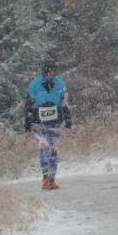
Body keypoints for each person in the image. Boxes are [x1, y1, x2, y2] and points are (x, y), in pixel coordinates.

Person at [24, 61, 72, 190]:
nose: (51, 74)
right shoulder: (34, 85)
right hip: (39, 122)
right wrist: (27, 127)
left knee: (54, 150)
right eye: (49, 72)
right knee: (44, 148)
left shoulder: (60, 85)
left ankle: (52, 180)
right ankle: (45, 177)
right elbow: (27, 107)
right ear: (44, 72)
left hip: (55, 122)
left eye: (53, 72)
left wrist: (68, 124)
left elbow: (65, 105)